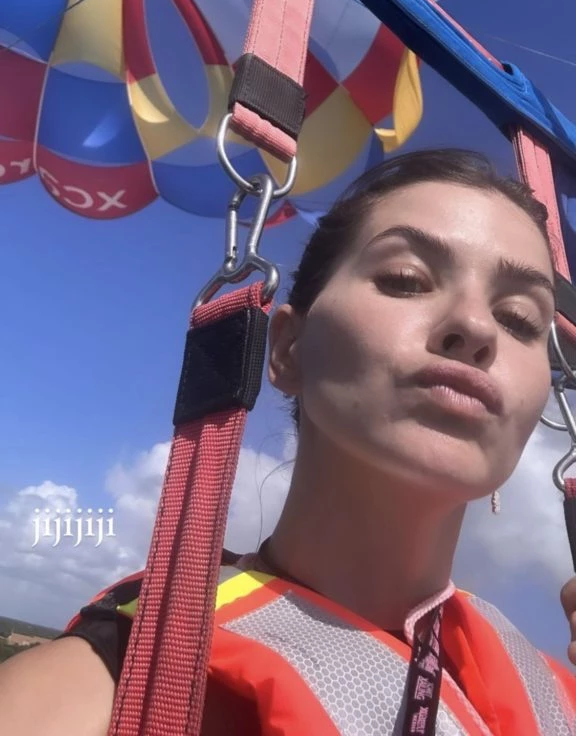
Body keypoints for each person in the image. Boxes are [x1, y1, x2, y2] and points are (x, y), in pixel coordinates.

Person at [2, 148, 576, 735]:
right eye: (406, 280)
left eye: (519, 320)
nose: (477, 328)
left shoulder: (552, 695)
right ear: (287, 349)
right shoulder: (106, 692)